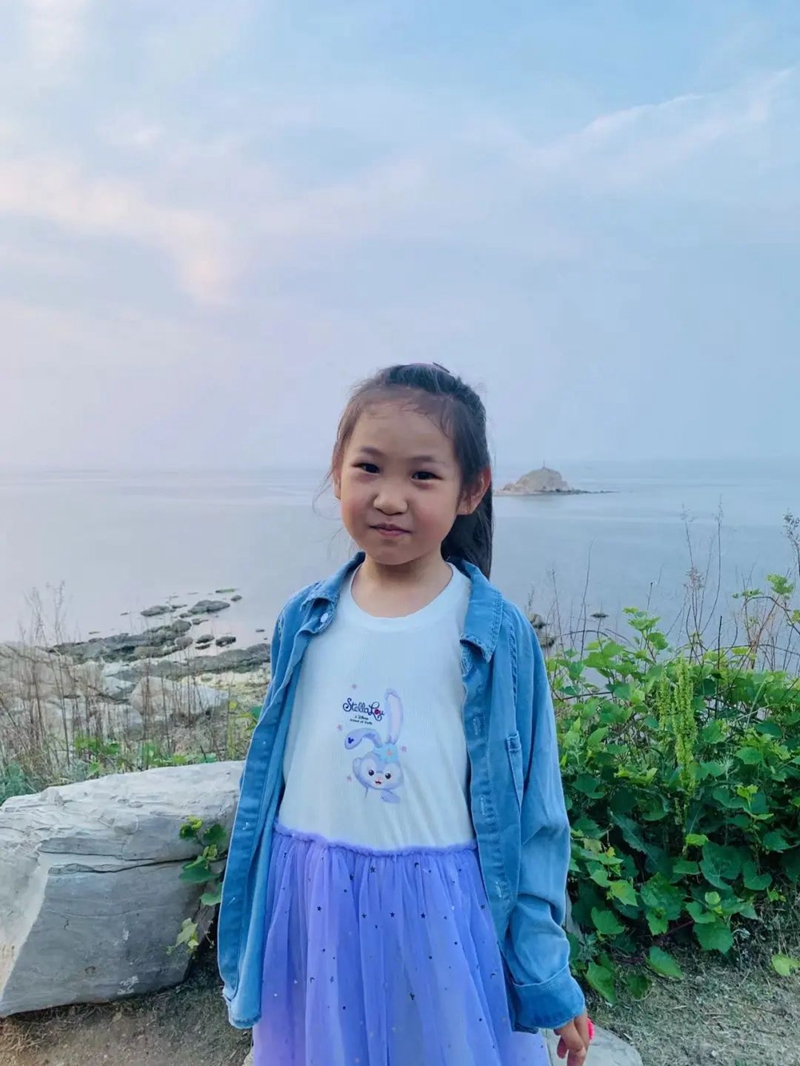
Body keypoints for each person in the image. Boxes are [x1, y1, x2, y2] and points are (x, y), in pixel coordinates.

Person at [218, 364, 590, 1066]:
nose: (390, 498)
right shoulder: (303, 620)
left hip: (441, 915)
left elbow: (537, 817)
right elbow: (273, 781)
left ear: (471, 490)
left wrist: (547, 976)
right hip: (314, 906)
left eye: (423, 475)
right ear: (337, 473)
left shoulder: (495, 634)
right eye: (369, 468)